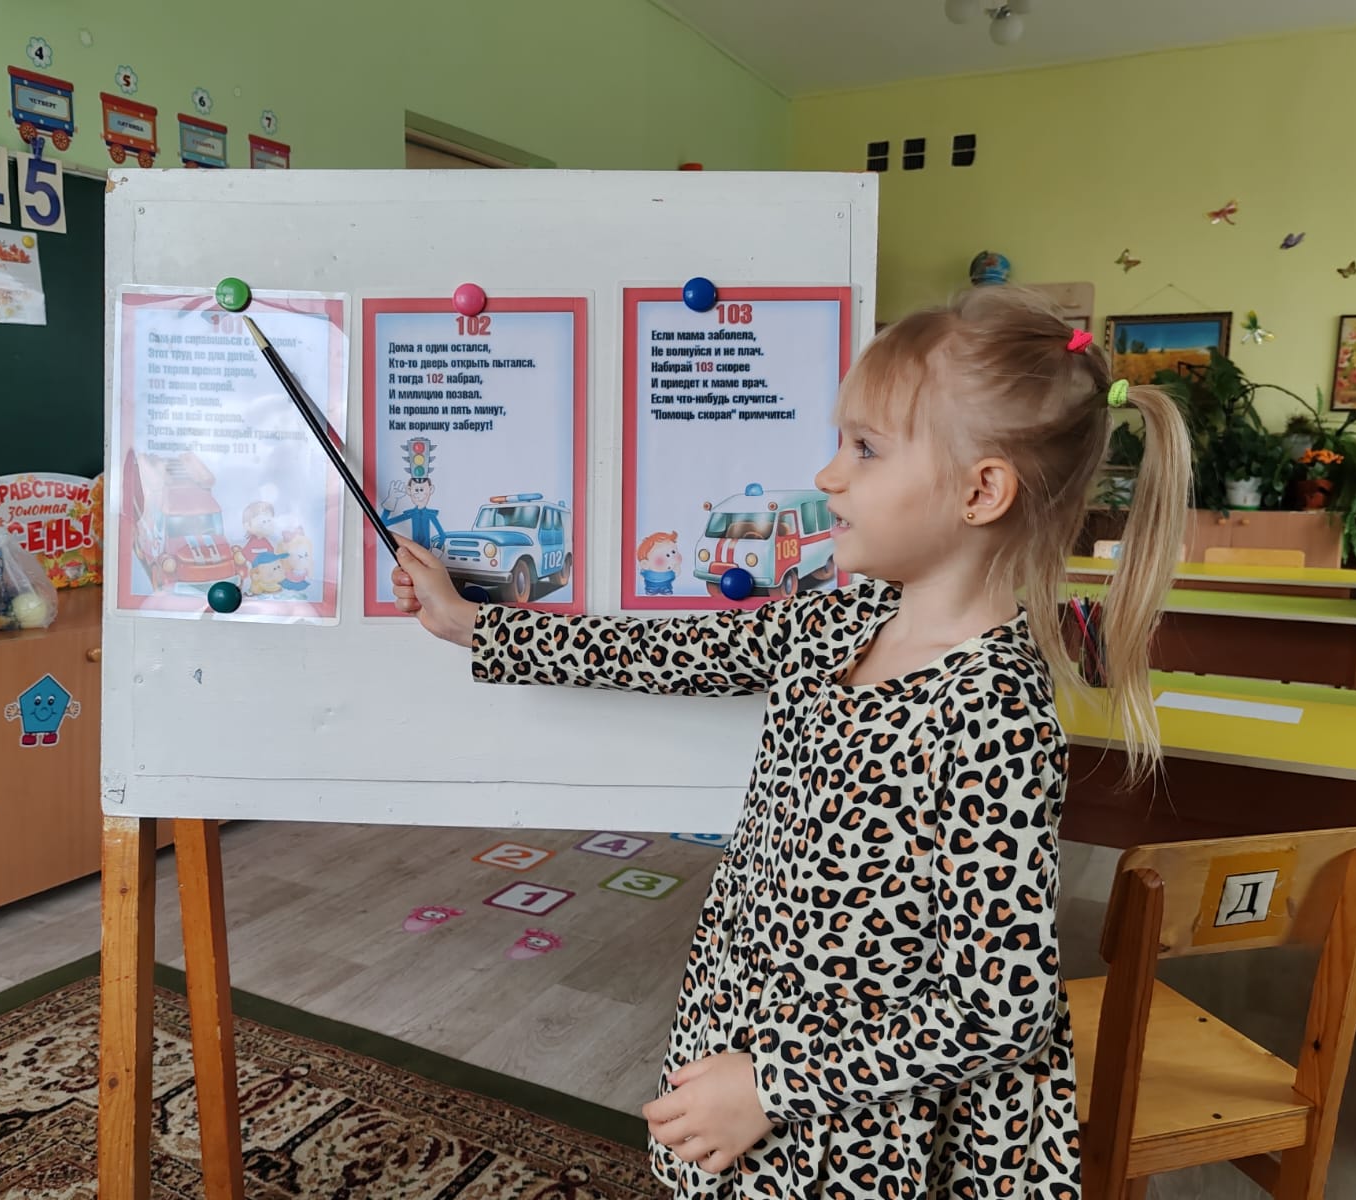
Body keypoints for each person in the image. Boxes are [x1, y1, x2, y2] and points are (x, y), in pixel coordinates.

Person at [389, 287, 1189, 1199]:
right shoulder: (840, 619)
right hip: (748, 1048)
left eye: (865, 449)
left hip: (860, 1133)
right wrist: (473, 625)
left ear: (981, 491)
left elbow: (1001, 1009)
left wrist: (771, 1086)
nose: (829, 475)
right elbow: (671, 652)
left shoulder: (991, 712)